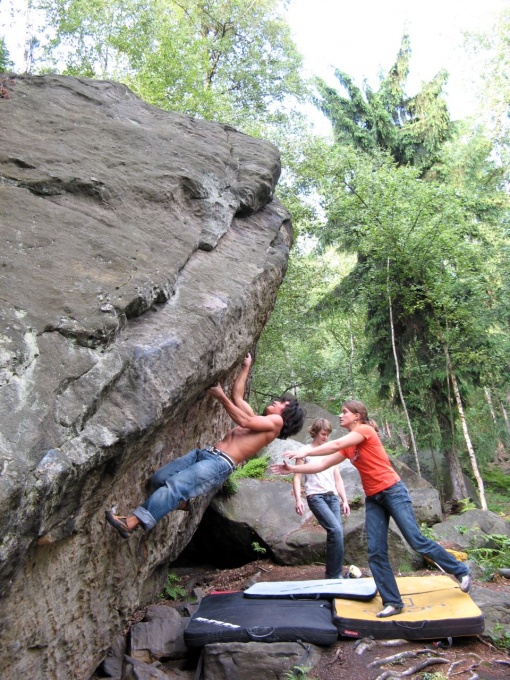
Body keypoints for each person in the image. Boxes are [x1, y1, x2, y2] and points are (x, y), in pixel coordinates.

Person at [271, 400, 471, 618]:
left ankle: (460, 571)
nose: (340, 415)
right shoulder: (349, 446)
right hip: (374, 498)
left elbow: (334, 446)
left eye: (345, 412)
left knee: (415, 540)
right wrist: (293, 468)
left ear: (357, 416)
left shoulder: (365, 430)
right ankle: (393, 601)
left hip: (393, 491)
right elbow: (321, 465)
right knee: (375, 551)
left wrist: (299, 452)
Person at [106, 354, 305, 539]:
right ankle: (182, 503)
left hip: (219, 463)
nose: (277, 401)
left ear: (286, 415)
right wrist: (246, 368)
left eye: (282, 403)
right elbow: (237, 398)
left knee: (176, 486)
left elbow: (243, 421)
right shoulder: (260, 421)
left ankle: (130, 523)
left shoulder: (275, 424)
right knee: (159, 480)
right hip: (206, 454)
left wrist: (220, 397)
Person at [292, 418, 350, 579]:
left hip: (332, 497)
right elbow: (297, 477)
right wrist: (298, 499)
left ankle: (334, 573)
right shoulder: (304, 451)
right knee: (335, 530)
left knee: (337, 533)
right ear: (315, 432)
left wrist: (344, 500)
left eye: (328, 434)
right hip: (315, 496)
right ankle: (333, 575)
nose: (325, 437)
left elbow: (337, 478)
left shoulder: (330, 451)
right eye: (323, 434)